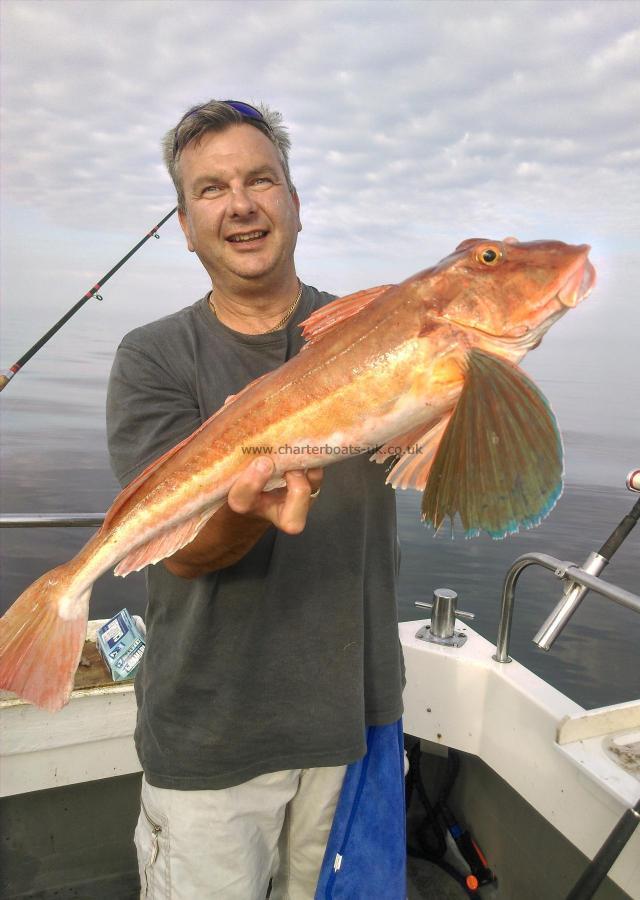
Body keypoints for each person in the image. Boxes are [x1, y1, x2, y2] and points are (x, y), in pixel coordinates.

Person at [106, 100, 404, 899]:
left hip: (353, 717)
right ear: (184, 223)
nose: (240, 204)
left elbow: (451, 475)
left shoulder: (376, 334)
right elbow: (184, 553)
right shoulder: (153, 357)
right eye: (211, 189)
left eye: (260, 179)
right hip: (211, 734)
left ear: (295, 204)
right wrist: (239, 511)